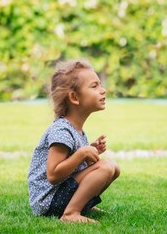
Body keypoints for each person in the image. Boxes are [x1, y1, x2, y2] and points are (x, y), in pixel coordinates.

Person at [27, 58, 120, 223]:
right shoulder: (61, 130)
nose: (103, 90)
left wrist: (90, 150)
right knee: (105, 167)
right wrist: (83, 152)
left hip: (59, 194)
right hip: (49, 201)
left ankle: (83, 205)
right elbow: (53, 175)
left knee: (114, 168)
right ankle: (70, 213)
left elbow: (72, 164)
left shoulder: (76, 129)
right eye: (94, 86)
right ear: (74, 98)